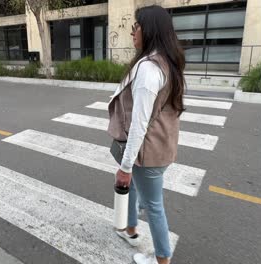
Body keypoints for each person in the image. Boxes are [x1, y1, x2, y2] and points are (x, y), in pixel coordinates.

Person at [107, 5, 186, 264]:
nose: (133, 32)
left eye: (136, 26)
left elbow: (140, 123)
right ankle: (130, 229)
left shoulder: (149, 69)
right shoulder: (166, 61)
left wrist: (126, 166)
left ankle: (162, 259)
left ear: (149, 30)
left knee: (153, 205)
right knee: (134, 190)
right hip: (161, 147)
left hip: (148, 151)